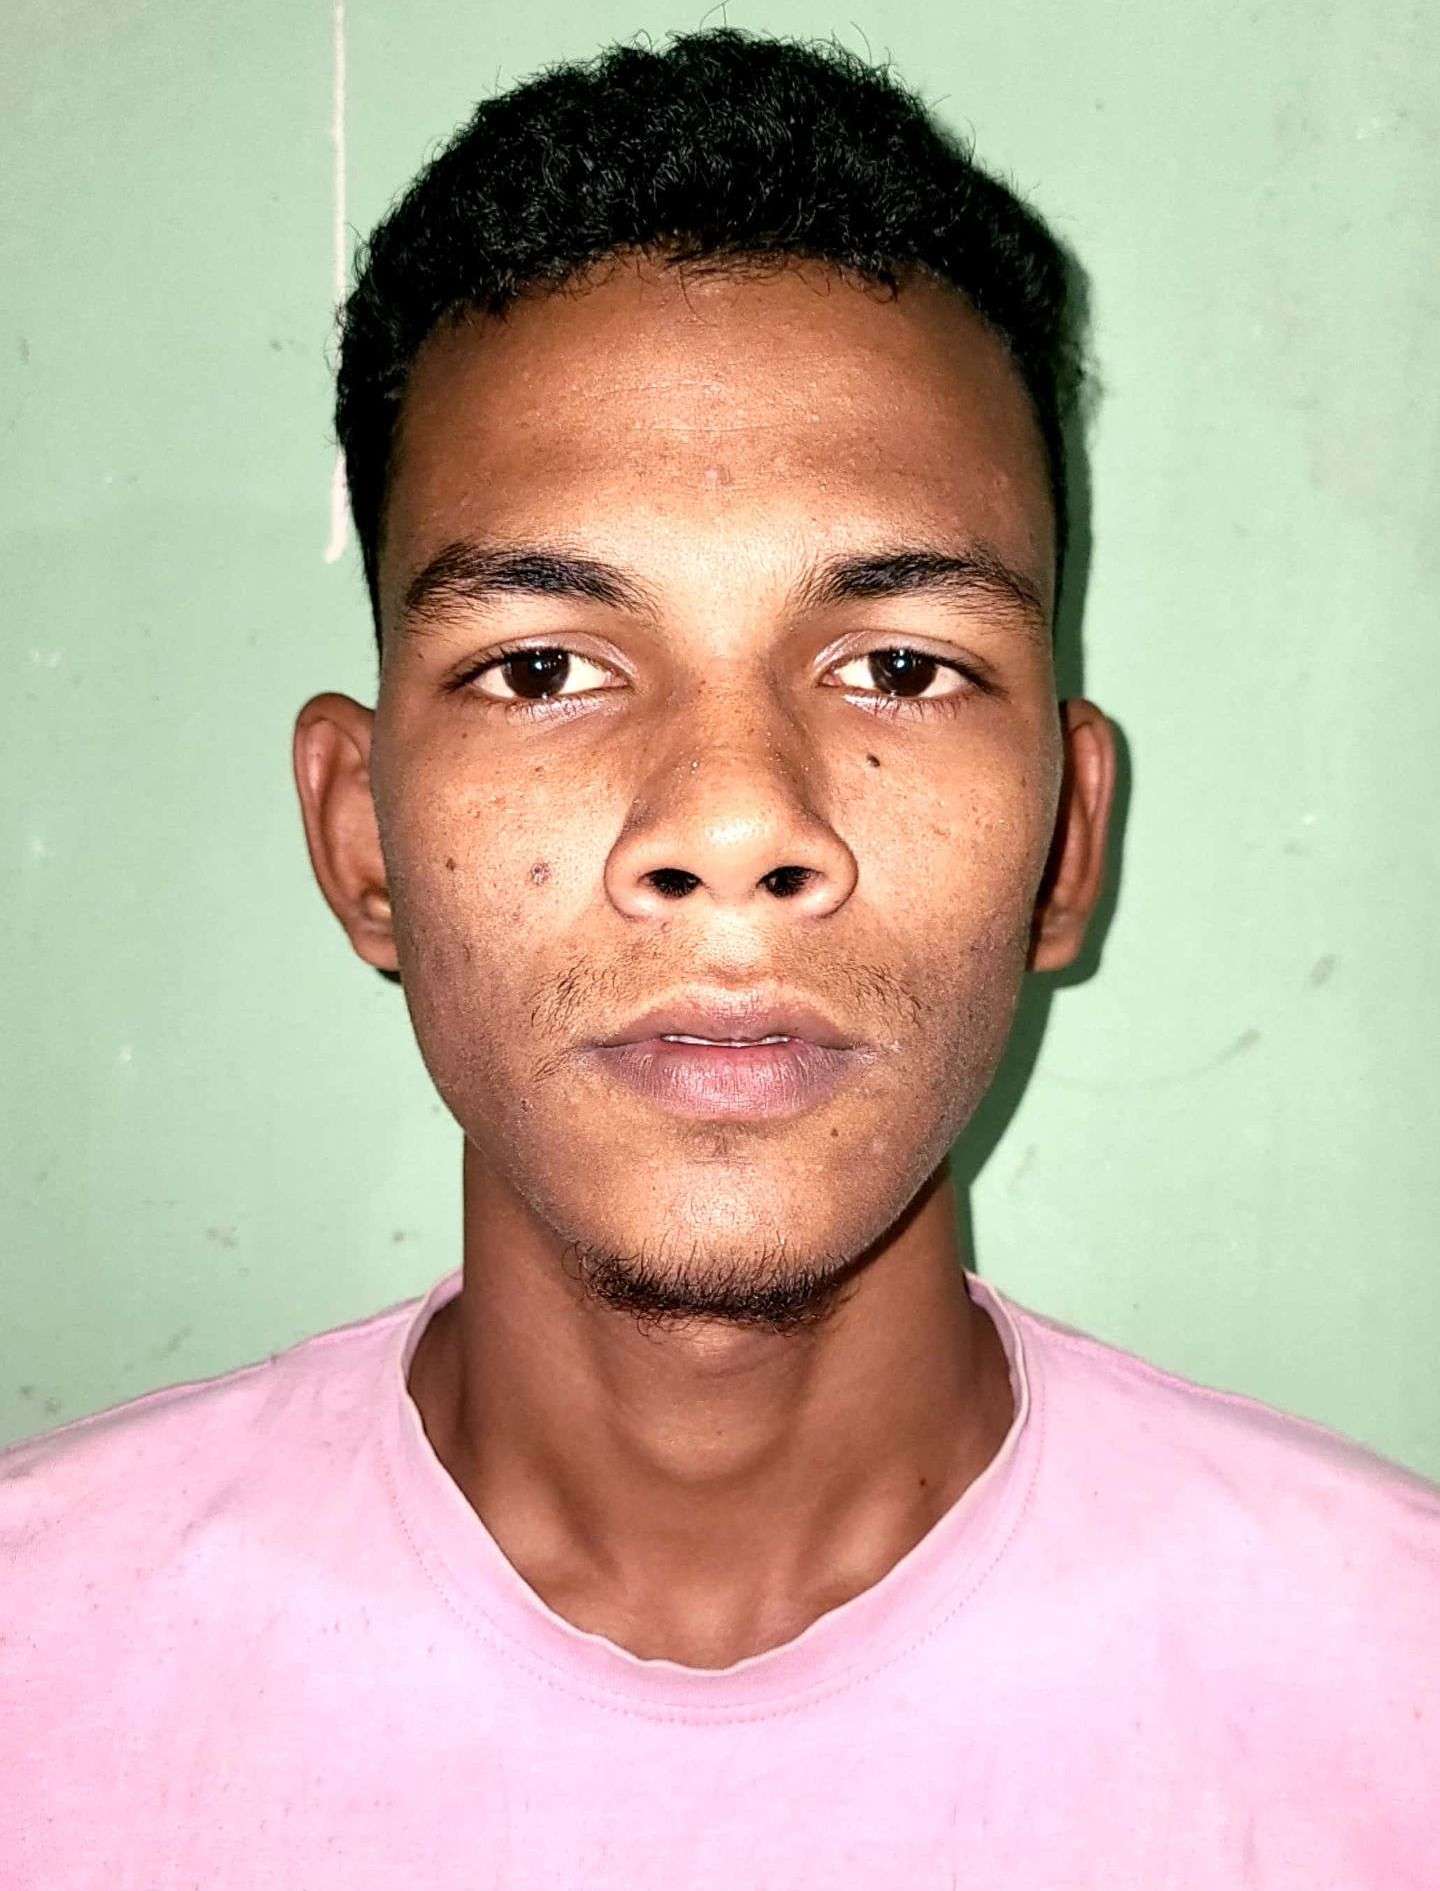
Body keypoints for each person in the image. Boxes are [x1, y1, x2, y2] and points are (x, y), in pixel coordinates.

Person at [3, 27, 1435, 1887]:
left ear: (1067, 842)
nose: (737, 822)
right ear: (361, 840)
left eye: (901, 667)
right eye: (541, 668)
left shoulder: (1395, 1696)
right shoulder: (39, 1673)